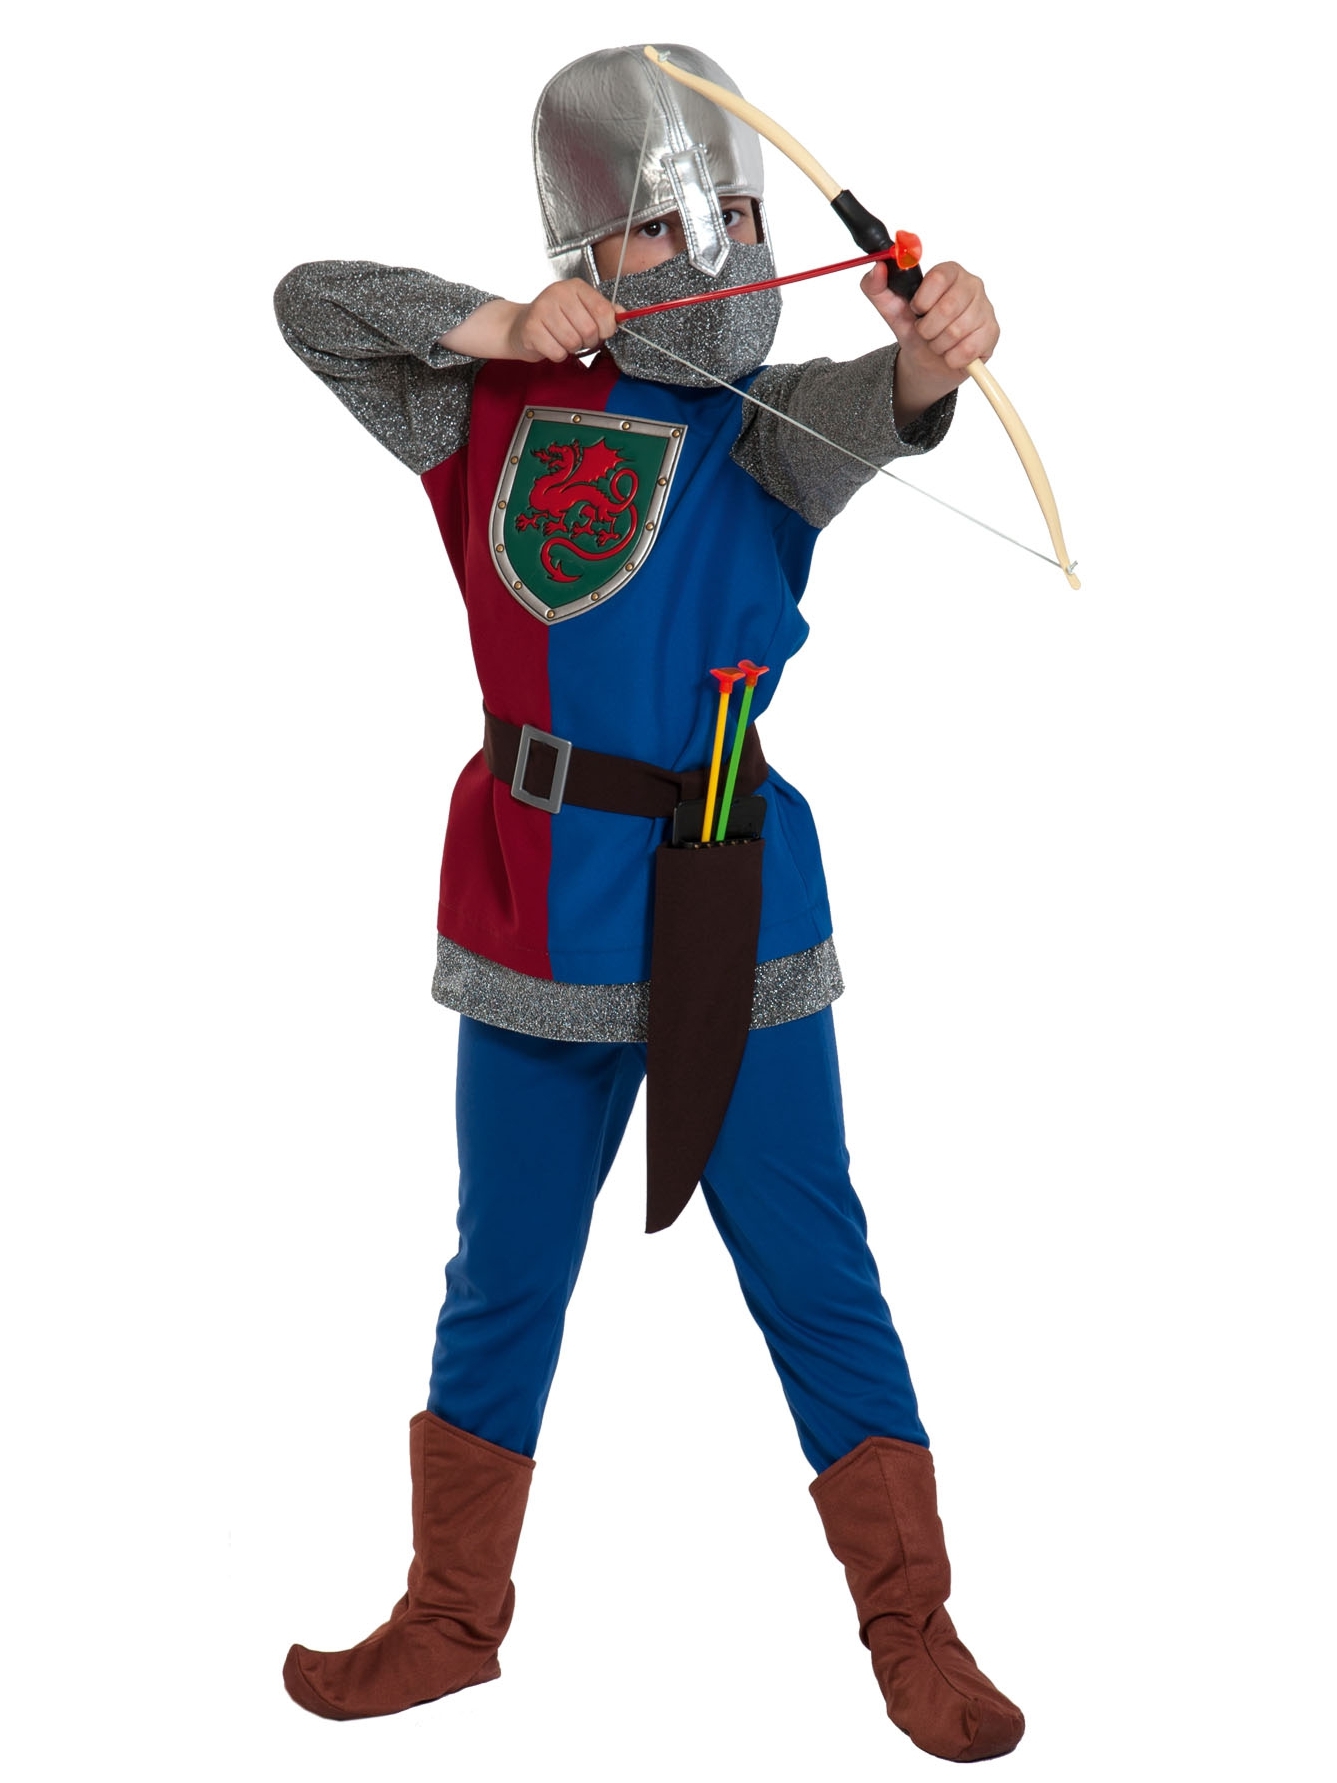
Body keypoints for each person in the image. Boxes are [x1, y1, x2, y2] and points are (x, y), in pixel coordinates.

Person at [273, 42, 1024, 1764]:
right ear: (588, 248)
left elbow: (895, 398)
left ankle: (912, 1628)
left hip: (728, 898)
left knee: (814, 1269)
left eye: (738, 221)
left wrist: (932, 357)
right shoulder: (477, 410)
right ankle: (449, 1621)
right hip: (534, 895)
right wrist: (496, 326)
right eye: (667, 229)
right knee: (503, 1273)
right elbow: (311, 302)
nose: (714, 256)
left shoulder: (772, 428)